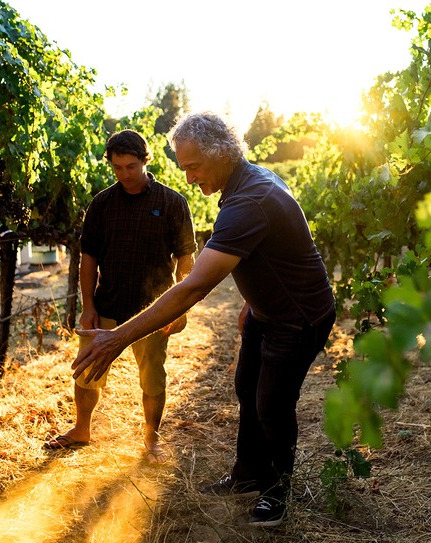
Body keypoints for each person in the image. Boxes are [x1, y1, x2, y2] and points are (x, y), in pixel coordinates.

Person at [71, 113, 336, 526]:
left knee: (272, 404)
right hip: (266, 312)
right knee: (246, 388)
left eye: (193, 167)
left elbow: (193, 286)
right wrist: (254, 301)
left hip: (297, 319)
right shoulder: (246, 182)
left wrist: (117, 337)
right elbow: (275, 249)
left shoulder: (249, 200)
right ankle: (248, 475)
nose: (190, 179)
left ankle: (276, 490)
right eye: (184, 168)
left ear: (224, 154)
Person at [45, 129, 197, 464]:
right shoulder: (102, 204)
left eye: (131, 166)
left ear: (145, 161)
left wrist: (179, 306)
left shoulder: (172, 203)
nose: (124, 174)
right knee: (86, 371)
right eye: (117, 168)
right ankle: (81, 429)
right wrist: (88, 307)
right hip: (108, 305)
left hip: (153, 309)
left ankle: (151, 440)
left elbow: (187, 257)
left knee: (152, 376)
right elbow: (89, 257)